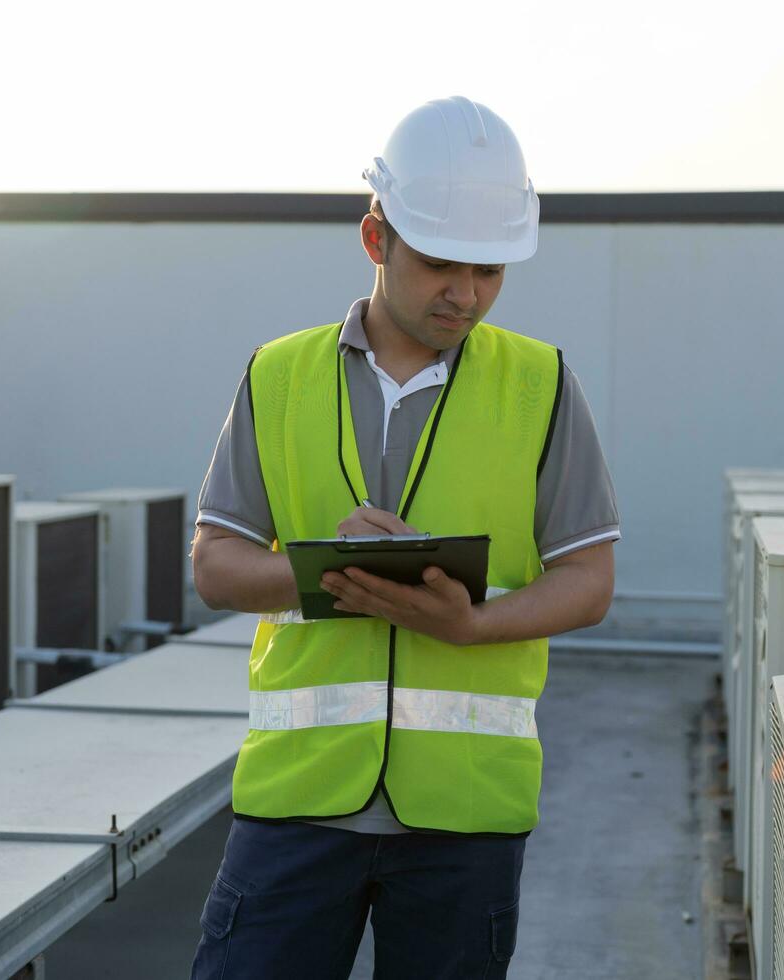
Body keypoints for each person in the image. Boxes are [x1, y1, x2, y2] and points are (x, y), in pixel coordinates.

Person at [188, 95, 620, 979]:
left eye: (491, 271)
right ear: (376, 239)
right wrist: (331, 573)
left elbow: (589, 578)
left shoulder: (542, 384)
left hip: (465, 820)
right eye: (440, 265)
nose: (467, 295)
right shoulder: (278, 375)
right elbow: (217, 565)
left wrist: (469, 625)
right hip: (297, 805)